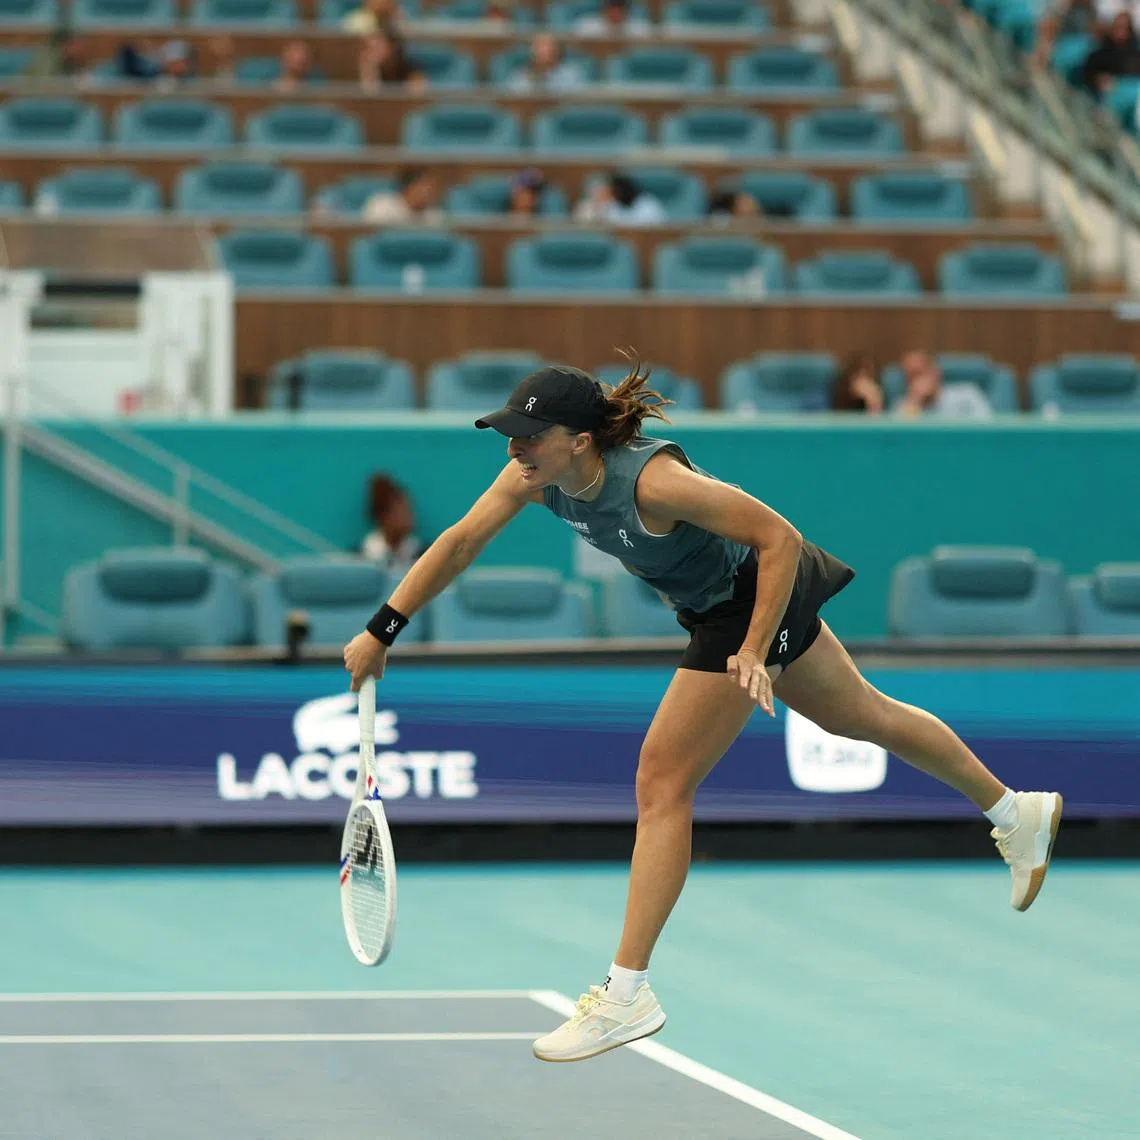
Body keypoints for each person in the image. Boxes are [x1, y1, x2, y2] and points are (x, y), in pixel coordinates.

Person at [342, 359, 1064, 1064]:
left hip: (750, 601)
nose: (513, 447)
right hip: (715, 609)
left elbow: (778, 537)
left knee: (662, 783)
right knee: (864, 715)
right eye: (510, 434)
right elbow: (461, 540)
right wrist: (383, 629)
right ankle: (1014, 813)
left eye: (528, 435)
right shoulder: (537, 478)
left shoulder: (654, 481)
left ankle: (627, 992)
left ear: (580, 440)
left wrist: (752, 650)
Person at [360, 474, 424, 579]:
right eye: (401, 512)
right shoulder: (361, 560)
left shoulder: (423, 555)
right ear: (383, 517)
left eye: (409, 511)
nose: (409, 517)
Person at [896, 350, 993, 419]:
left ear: (935, 373)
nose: (917, 381)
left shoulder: (968, 394)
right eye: (911, 377)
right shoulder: (903, 406)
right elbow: (897, 440)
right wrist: (914, 400)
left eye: (920, 373)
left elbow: (987, 426)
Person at [574, 172, 666, 225]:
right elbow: (584, 223)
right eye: (615, 191)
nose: (618, 193)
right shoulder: (609, 204)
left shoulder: (648, 204)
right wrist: (597, 206)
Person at [506, 32, 587, 92]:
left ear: (557, 50)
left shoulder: (571, 73)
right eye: (539, 47)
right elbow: (514, 97)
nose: (543, 51)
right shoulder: (521, 75)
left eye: (547, 47)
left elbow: (578, 98)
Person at [1083, 10, 1140, 93]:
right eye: (1118, 27)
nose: (1121, 32)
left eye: (1125, 28)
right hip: (1107, 97)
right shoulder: (1099, 55)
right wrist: (1098, 80)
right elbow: (1088, 76)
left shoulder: (1135, 55)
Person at [361, 168, 441, 224]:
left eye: (432, 189)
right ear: (409, 187)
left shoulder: (434, 215)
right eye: (424, 188)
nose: (430, 193)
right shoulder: (381, 205)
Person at [357, 28, 427, 91]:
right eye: (368, 48)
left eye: (377, 47)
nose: (370, 53)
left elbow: (416, 97)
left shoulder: (412, 68)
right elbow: (370, 98)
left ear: (392, 48)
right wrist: (369, 71)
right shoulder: (367, 68)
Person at [575, 0, 650, 36]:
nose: (615, 13)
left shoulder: (640, 28)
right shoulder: (587, 26)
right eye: (612, 8)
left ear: (627, 11)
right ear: (604, 9)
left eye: (619, 9)